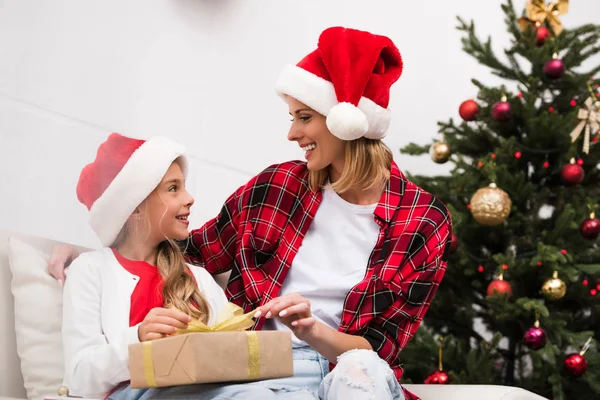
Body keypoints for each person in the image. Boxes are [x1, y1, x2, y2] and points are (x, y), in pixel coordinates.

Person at [51, 27, 452, 400]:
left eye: (304, 117)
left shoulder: (423, 221)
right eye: (291, 118)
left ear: (345, 122)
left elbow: (381, 347)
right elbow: (184, 252)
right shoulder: (275, 187)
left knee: (362, 365)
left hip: (343, 370)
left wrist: (313, 331)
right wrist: (92, 249)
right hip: (258, 369)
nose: (292, 134)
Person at [61, 133, 229, 399]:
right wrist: (138, 338)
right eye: (173, 188)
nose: (189, 198)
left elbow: (232, 355)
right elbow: (79, 376)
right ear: (135, 206)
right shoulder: (90, 270)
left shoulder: (199, 278)